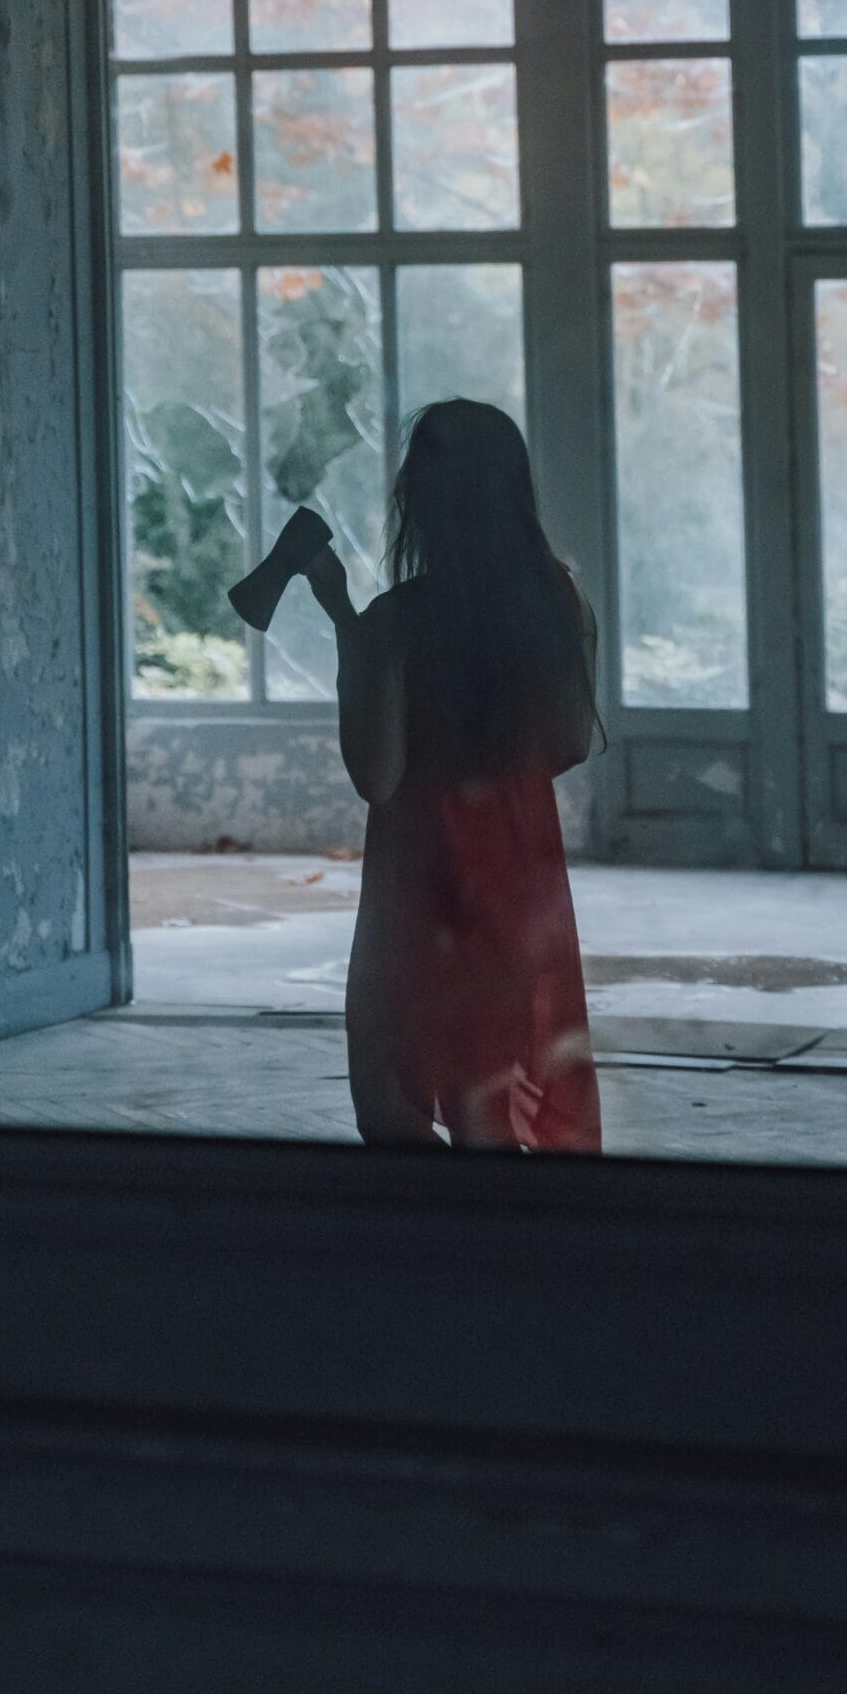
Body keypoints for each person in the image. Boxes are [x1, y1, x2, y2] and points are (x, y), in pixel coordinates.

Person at [304, 399, 604, 1154]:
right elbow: (568, 739)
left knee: (392, 1100)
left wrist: (347, 626)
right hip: (515, 883)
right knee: (491, 1097)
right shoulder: (557, 602)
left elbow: (377, 775)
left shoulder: (397, 620)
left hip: (418, 887)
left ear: (419, 500)